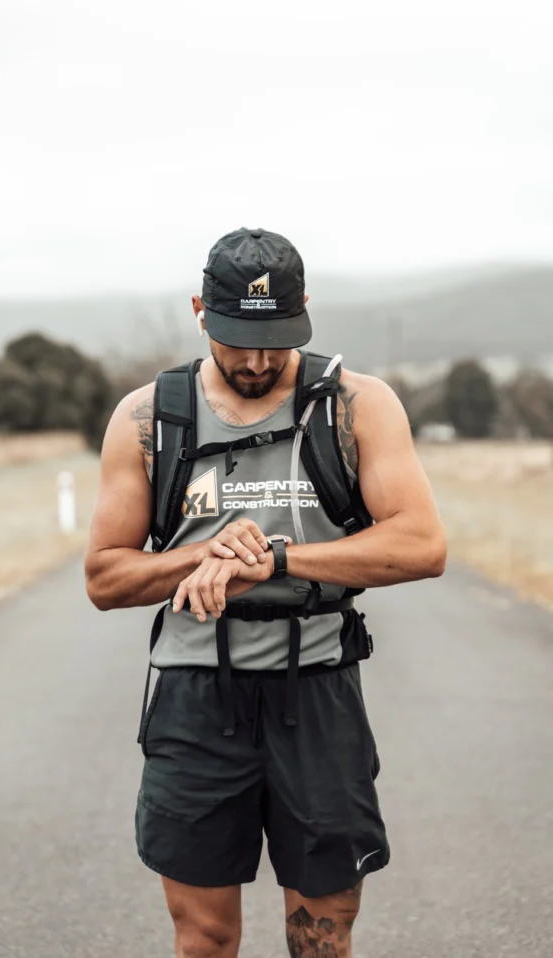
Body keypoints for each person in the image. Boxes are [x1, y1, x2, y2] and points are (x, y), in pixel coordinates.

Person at [85, 227, 447, 958]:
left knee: (323, 935)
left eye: (276, 340)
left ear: (305, 309)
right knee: (205, 938)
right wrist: (198, 557)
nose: (255, 361)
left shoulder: (355, 404)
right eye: (237, 339)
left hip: (314, 692)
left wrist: (275, 562)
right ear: (200, 310)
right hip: (195, 700)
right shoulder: (149, 418)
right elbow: (105, 577)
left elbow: (423, 545)